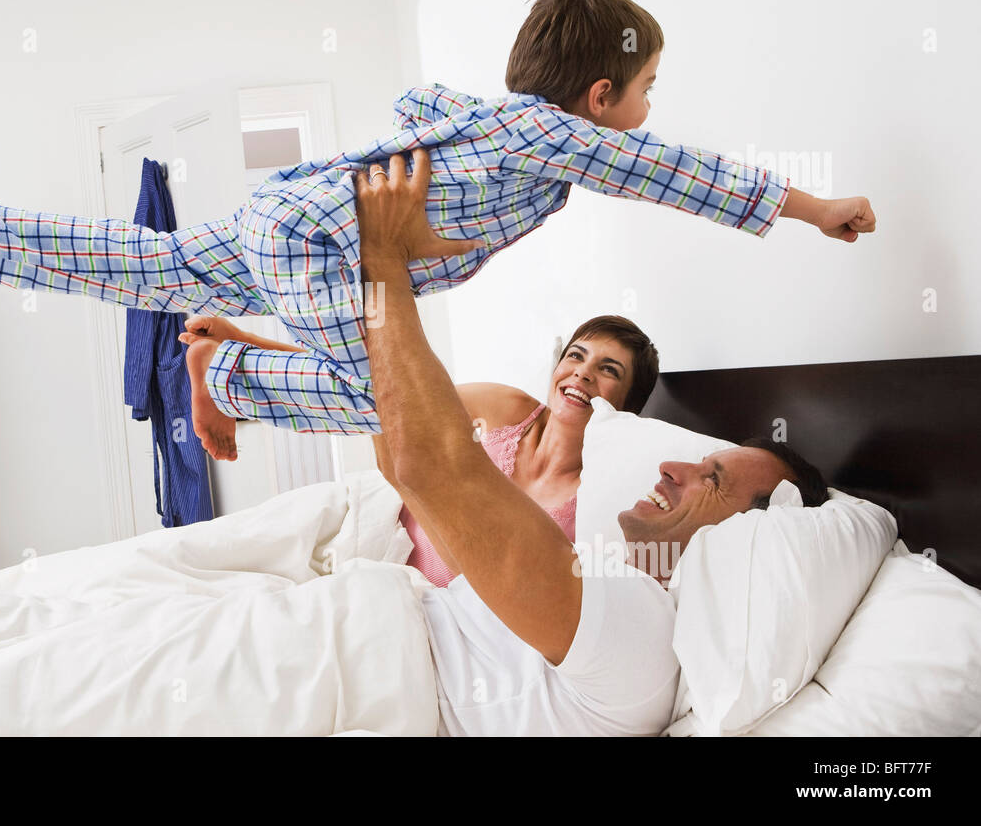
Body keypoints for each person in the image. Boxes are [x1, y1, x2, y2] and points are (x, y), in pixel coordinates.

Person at [0, 0, 876, 462]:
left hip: (291, 209)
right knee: (406, 402)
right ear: (601, 95)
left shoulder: (489, 117)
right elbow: (674, 173)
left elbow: (411, 99)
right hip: (323, 239)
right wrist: (812, 205)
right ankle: (229, 371)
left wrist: (427, 206)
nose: (648, 111)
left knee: (166, 266)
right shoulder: (553, 135)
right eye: (647, 88)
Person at [356, 147, 831, 735]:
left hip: (365, 659)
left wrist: (383, 262)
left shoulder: (639, 628)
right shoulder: (616, 584)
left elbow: (419, 457)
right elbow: (399, 433)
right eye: (575, 356)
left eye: (713, 477)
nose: (672, 466)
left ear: (751, 532)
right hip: (371, 618)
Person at [180, 310, 659, 587]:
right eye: (576, 356)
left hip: (416, 602)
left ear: (627, 407)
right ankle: (239, 360)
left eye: (608, 370)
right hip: (369, 533)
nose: (582, 372)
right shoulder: (509, 410)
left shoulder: (595, 495)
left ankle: (234, 369)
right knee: (386, 390)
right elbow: (384, 392)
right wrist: (249, 338)